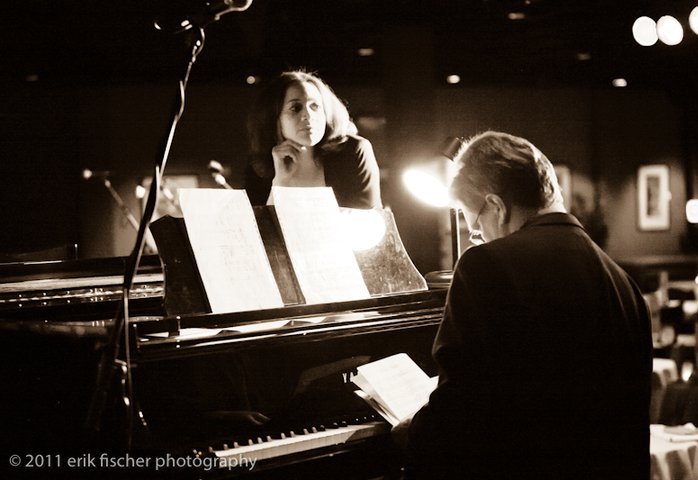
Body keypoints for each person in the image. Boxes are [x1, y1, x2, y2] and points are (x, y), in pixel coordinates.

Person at [398, 131, 652, 479]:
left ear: (497, 208)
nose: (479, 236)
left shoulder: (485, 265)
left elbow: (462, 407)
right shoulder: (623, 284)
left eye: (475, 224)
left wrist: (411, 433)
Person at [244, 70, 382, 209]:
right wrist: (280, 183)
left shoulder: (352, 151)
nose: (308, 115)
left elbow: (369, 221)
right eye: (295, 108)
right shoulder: (259, 165)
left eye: (315, 106)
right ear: (273, 118)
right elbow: (258, 228)